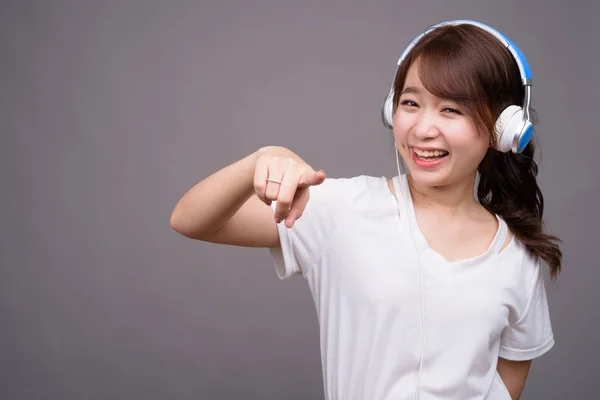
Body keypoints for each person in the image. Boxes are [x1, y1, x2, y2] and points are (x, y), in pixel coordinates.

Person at [170, 20, 562, 400]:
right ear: (391, 110)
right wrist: (259, 160)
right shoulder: (341, 211)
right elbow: (189, 219)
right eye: (411, 103)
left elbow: (510, 374)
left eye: (451, 110)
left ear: (503, 128)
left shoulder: (517, 256)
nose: (423, 128)